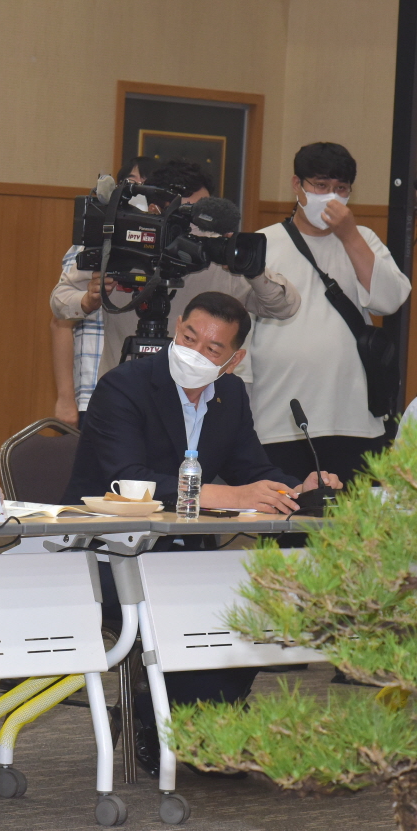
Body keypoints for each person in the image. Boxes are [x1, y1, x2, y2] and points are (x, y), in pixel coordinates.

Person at [63, 291, 340, 774]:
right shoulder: (123, 386)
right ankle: (163, 720)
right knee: (190, 602)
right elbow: (129, 480)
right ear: (177, 328)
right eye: (189, 337)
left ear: (234, 360)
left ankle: (212, 717)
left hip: (182, 552)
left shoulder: (230, 396)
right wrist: (229, 495)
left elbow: (252, 468)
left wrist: (299, 487)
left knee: (257, 596)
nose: (194, 353)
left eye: (212, 349)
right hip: (106, 552)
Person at [247, 142, 411, 484]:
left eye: (341, 188)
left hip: (354, 419)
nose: (331, 196)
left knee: (352, 515)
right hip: (277, 418)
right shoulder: (263, 242)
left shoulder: (363, 239)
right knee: (282, 512)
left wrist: (349, 236)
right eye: (321, 186)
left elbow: (390, 300)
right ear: (297, 185)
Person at [51, 160, 301, 379]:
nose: (198, 228)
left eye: (203, 214)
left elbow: (284, 306)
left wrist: (252, 270)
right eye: (187, 217)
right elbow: (59, 300)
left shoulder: (219, 259)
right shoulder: (121, 245)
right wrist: (88, 301)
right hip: (123, 390)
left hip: (198, 398)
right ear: (154, 211)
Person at [51, 157, 156, 427]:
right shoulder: (96, 242)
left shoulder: (167, 246)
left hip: (151, 394)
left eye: (147, 183)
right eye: (132, 182)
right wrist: (65, 397)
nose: (139, 189)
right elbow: (60, 318)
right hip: (93, 391)